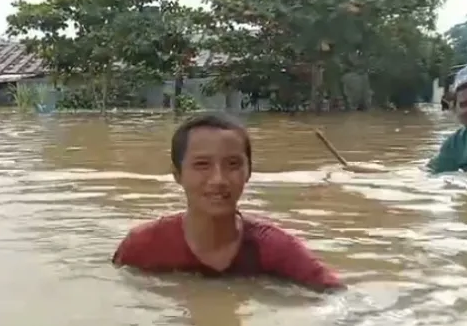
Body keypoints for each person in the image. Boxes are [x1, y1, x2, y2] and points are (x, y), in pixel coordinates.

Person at [112, 112, 345, 293]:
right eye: (202, 165)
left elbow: (340, 298)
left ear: (249, 172)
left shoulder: (275, 249)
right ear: (177, 174)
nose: (218, 180)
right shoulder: (142, 247)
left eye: (233, 165)